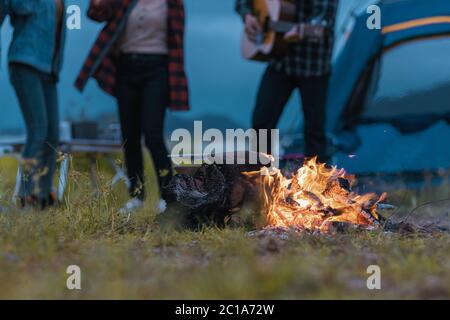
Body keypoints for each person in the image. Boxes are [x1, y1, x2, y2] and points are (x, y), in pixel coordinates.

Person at [75, 0, 190, 214]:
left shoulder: (172, 3)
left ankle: (168, 197)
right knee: (130, 137)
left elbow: (177, 41)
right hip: (126, 68)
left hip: (157, 69)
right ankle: (137, 197)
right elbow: (96, 13)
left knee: (153, 134)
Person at [236, 0, 338, 163]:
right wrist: (249, 15)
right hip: (280, 61)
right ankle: (260, 178)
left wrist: (302, 30)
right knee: (262, 122)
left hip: (314, 65)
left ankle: (318, 183)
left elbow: (322, 20)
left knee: (314, 130)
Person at [7, 0, 65, 209]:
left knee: (52, 136)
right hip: (24, 62)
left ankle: (43, 195)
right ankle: (25, 194)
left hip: (49, 70)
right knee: (38, 131)